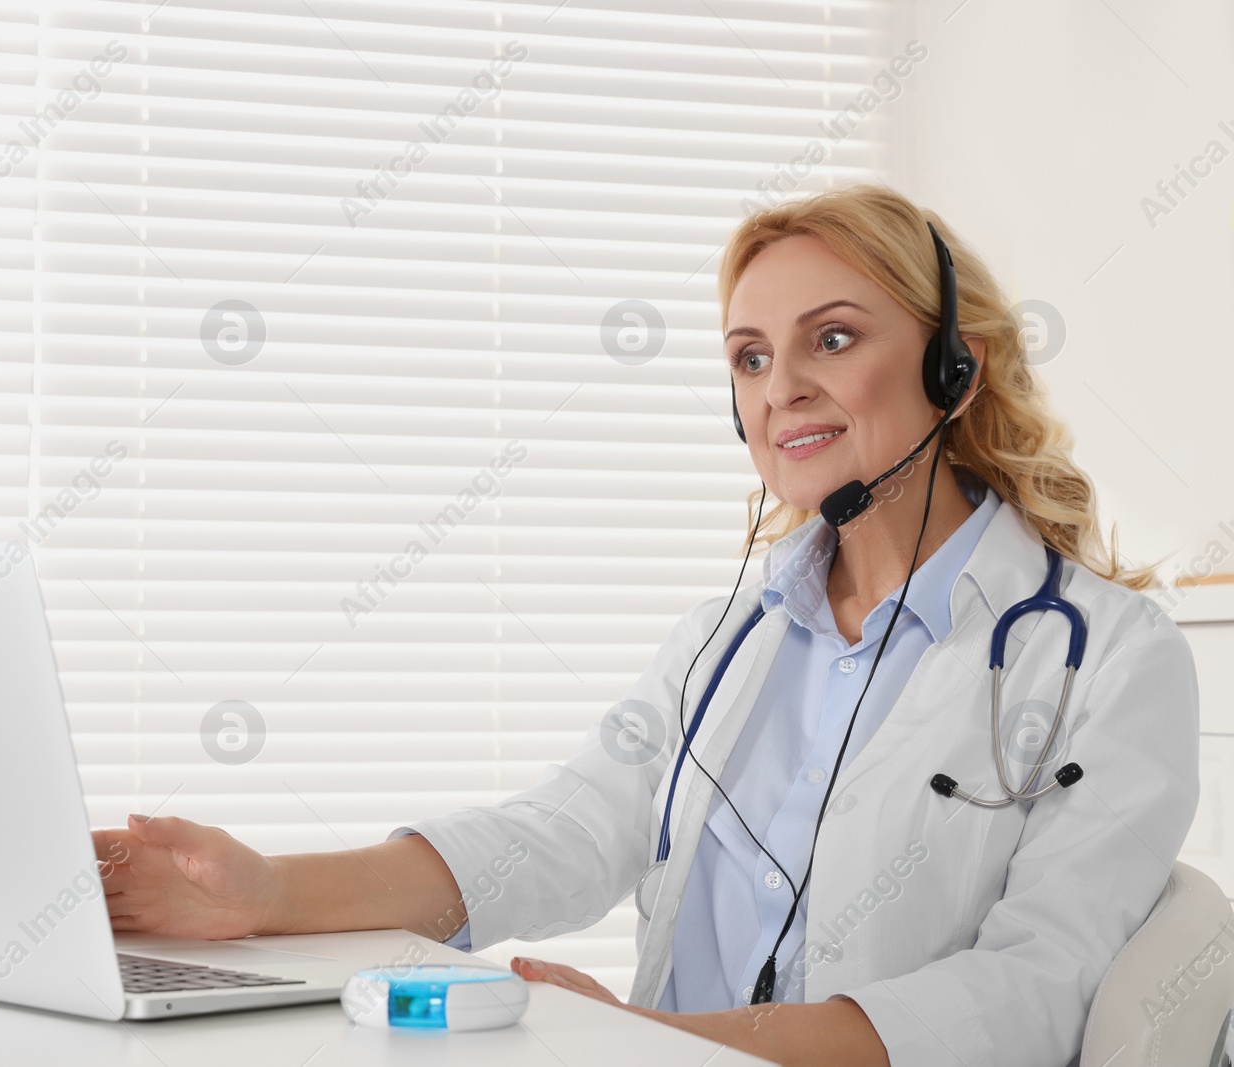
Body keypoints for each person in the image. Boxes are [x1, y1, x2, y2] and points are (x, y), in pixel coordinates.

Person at [92, 184, 1199, 1067]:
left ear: (956, 370)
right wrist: (270, 892)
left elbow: (1032, 992)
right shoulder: (730, 640)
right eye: (750, 356)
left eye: (832, 337)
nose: (781, 389)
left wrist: (659, 1043)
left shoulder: (1109, 657)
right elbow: (564, 830)